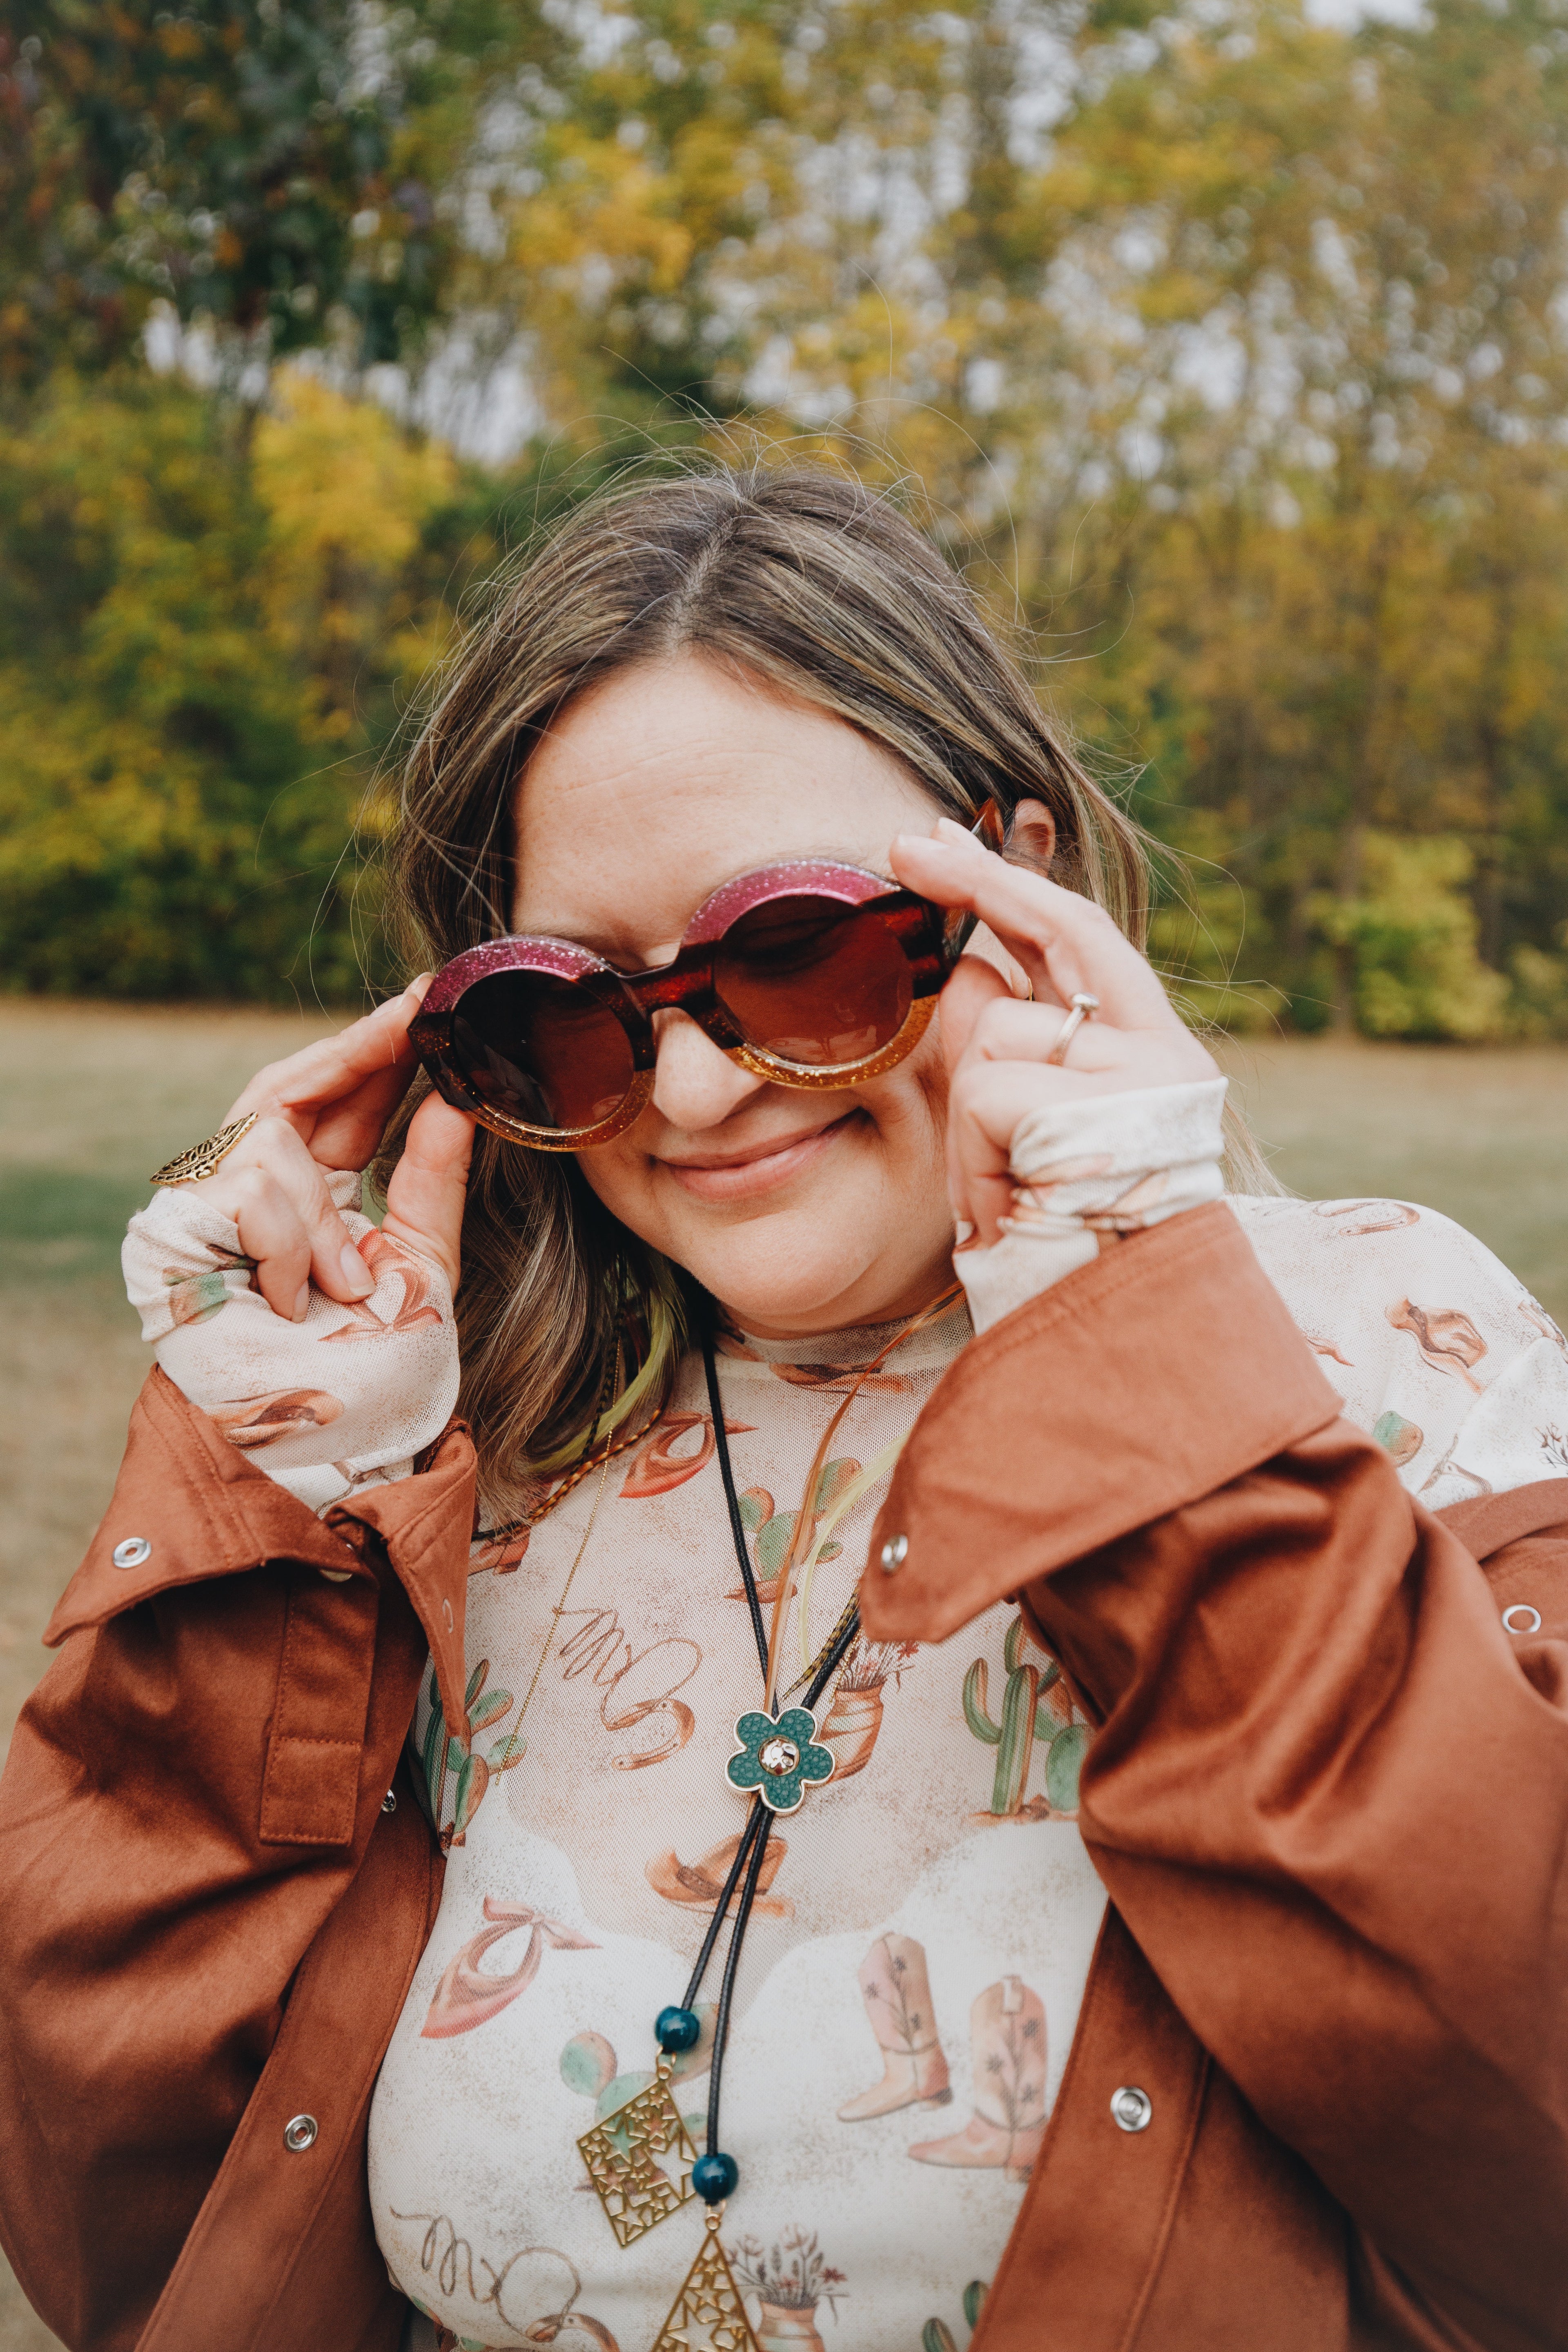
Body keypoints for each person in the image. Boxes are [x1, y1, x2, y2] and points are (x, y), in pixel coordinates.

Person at [1, 467, 1564, 2352]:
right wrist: (273, 1517)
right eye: (575, 1001)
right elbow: (120, 2226)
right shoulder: (447, 1453)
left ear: (1019, 876)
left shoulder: (1389, 1338)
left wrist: (1152, 1381)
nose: (693, 1094)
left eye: (797, 945)